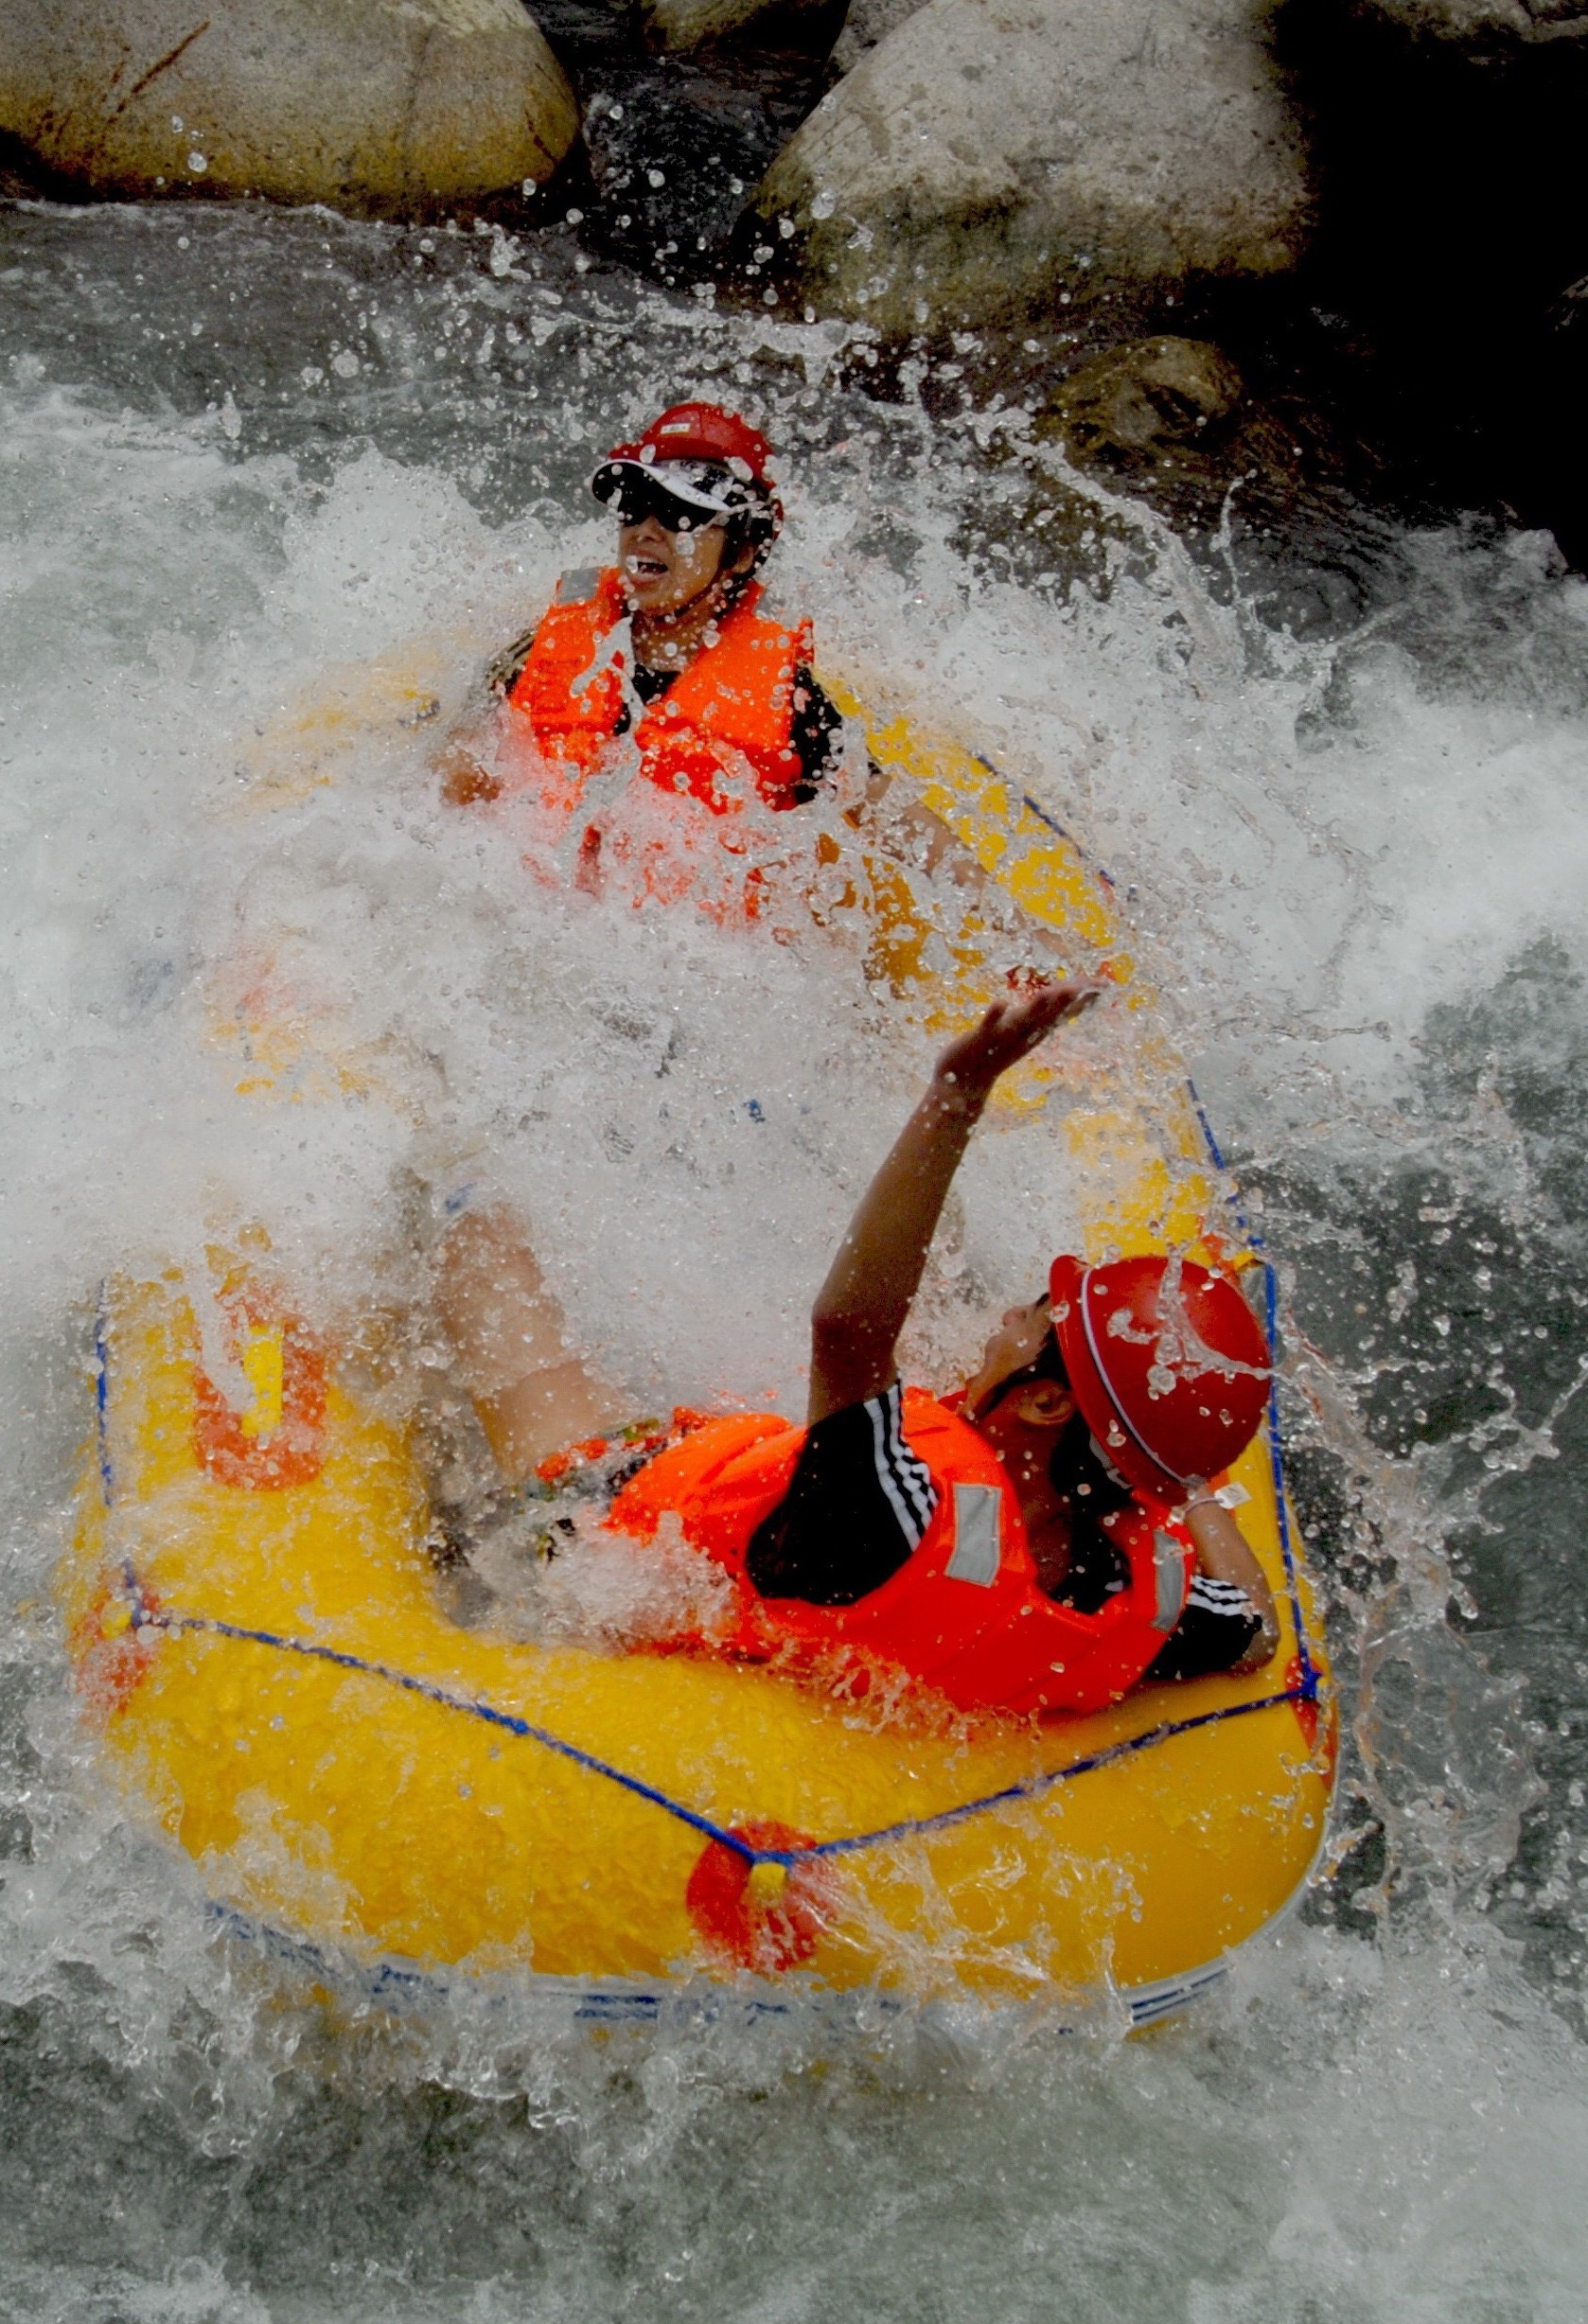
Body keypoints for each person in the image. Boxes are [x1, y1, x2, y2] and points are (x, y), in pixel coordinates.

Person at [431, 976, 1280, 1721]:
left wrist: (959, 1092)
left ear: (1046, 1400)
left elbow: (849, 1327)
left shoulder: (896, 1516)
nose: (1003, 1323)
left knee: (478, 1237)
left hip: (604, 1522)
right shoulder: (1128, 1596)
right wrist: (1189, 1481)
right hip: (801, 1563)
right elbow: (1256, 1624)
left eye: (1030, 1318)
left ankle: (434, 1143)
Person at [436, 401, 978, 922]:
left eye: (679, 513)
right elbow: (452, 773)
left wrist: (1032, 942)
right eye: (632, 507)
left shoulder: (788, 702)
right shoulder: (547, 647)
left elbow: (896, 820)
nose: (645, 531)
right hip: (523, 917)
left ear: (742, 551)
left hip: (679, 958)